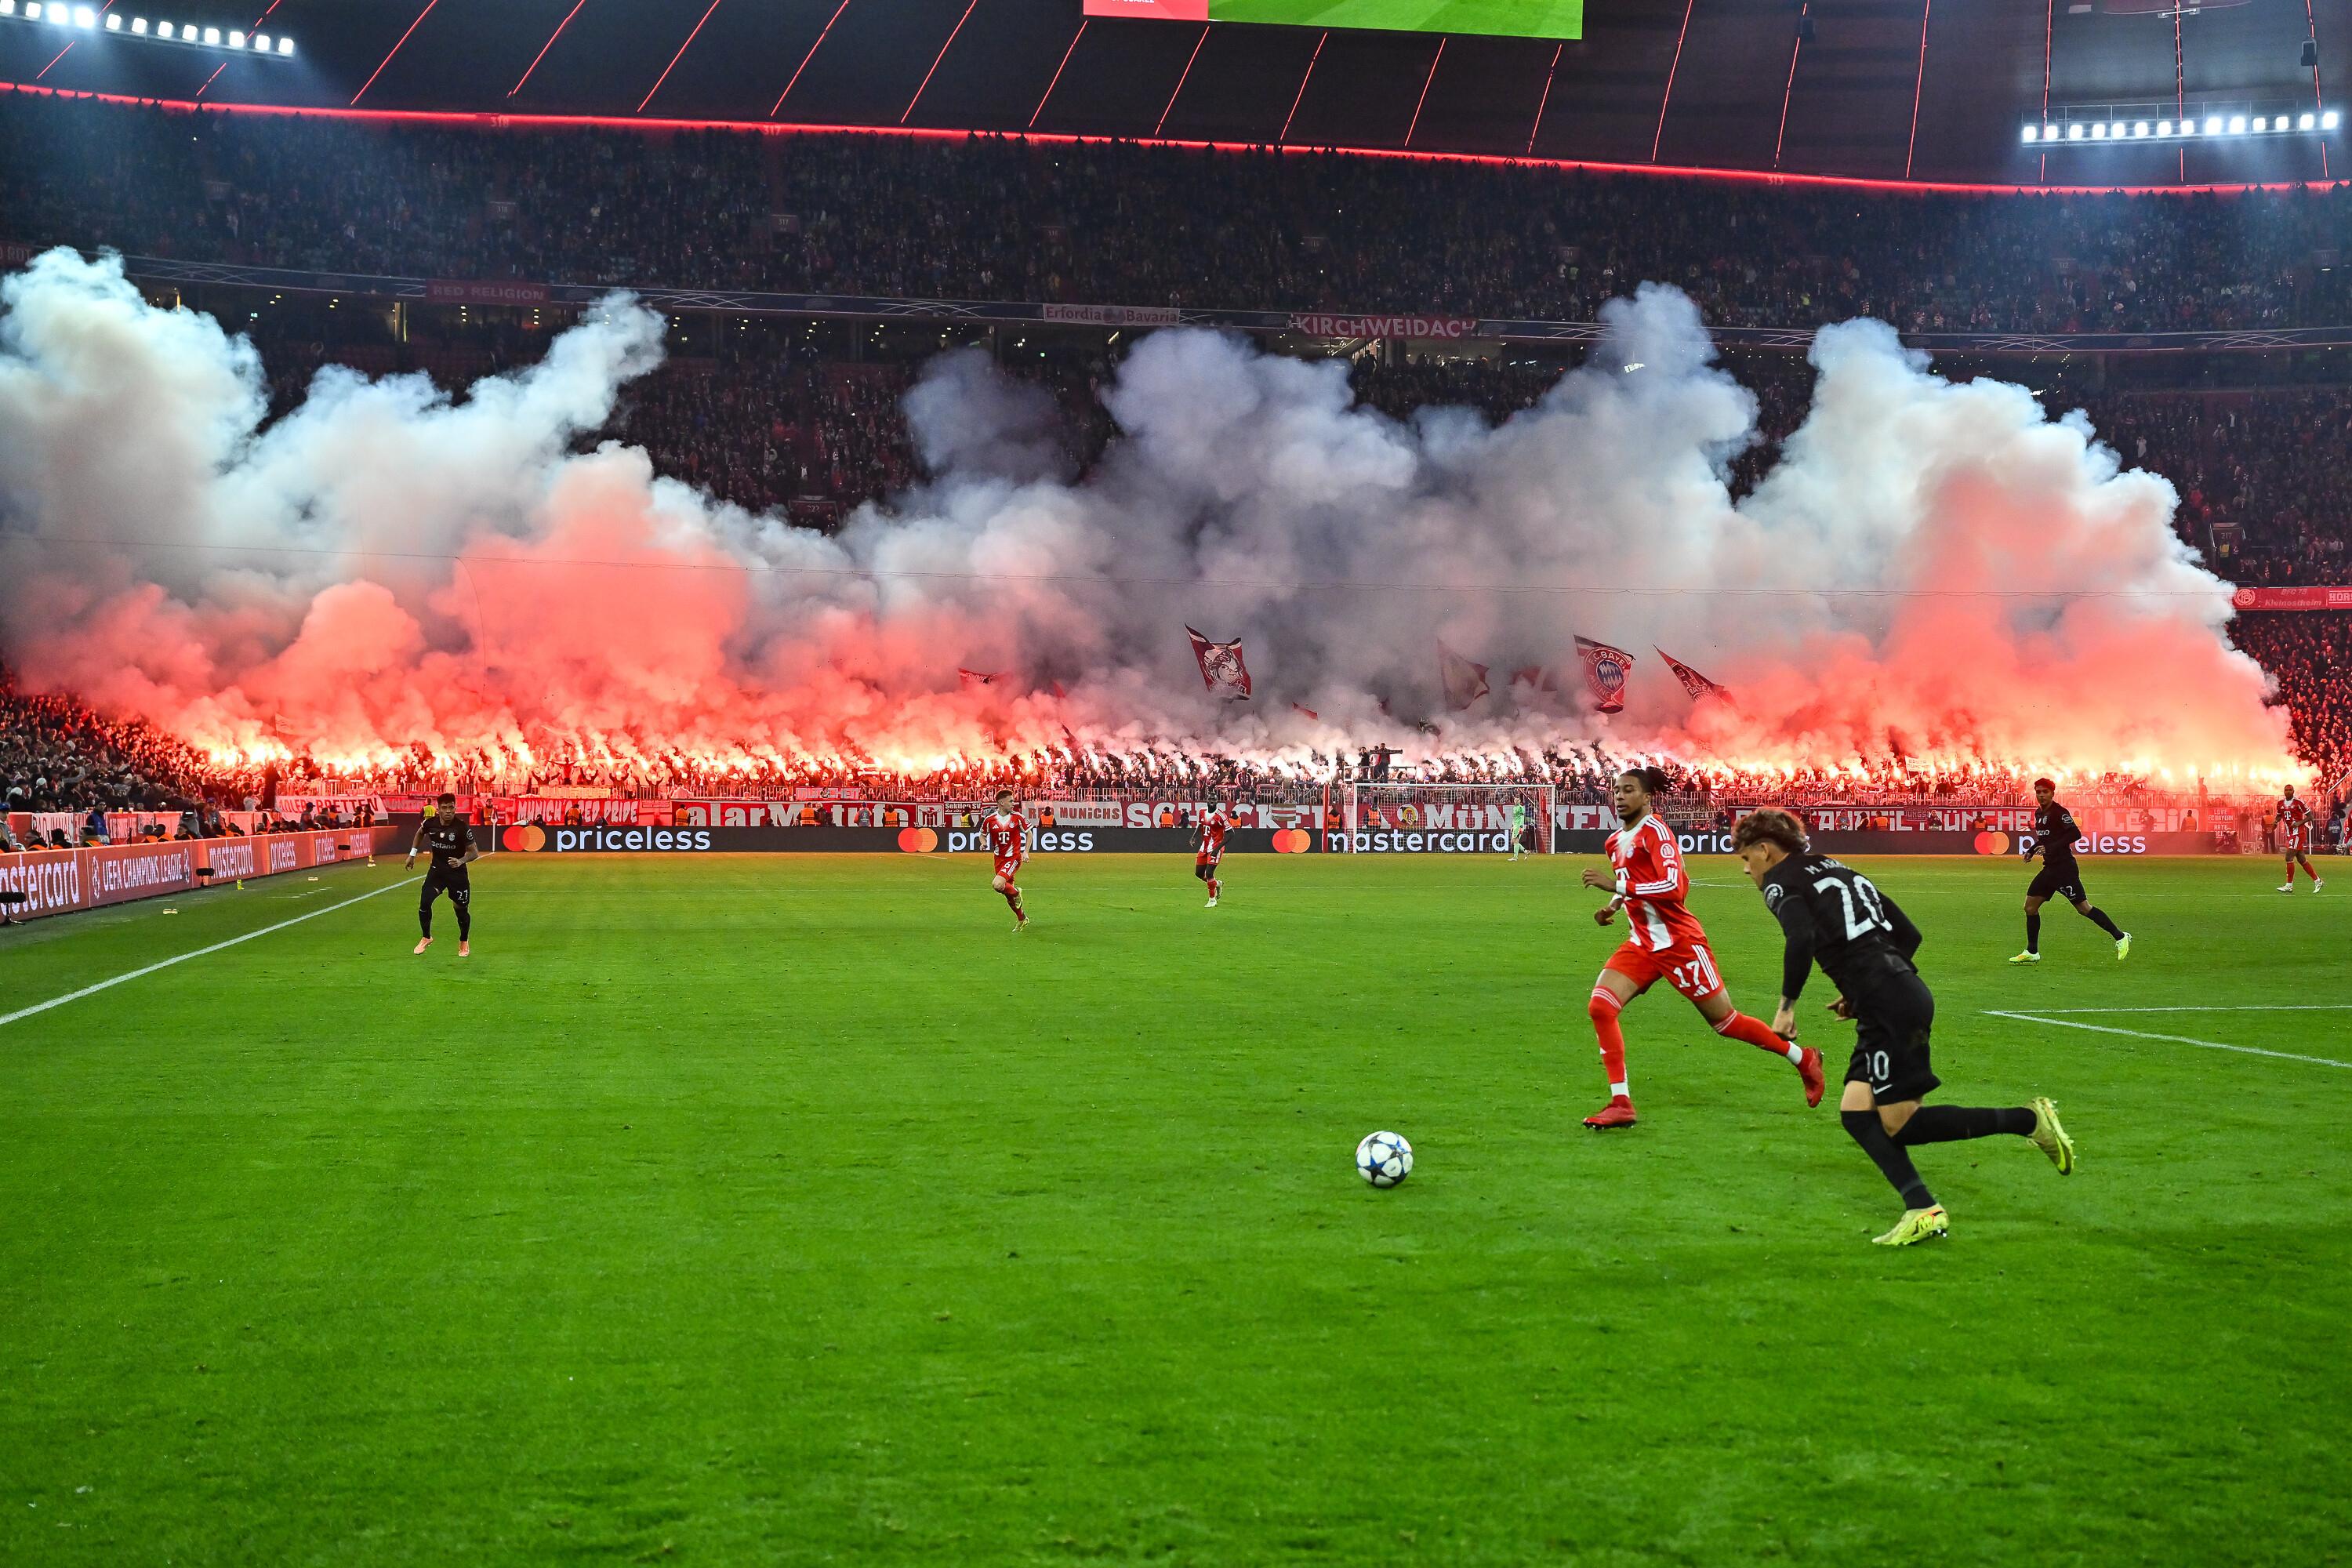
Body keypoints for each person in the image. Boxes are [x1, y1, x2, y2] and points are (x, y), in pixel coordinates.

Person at [1735, 807, 2075, 1246]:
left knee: (1902, 1123)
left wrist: (1787, 1007)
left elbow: (1800, 938)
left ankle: (2027, 1121)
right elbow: (1909, 934)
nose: (1746, 870)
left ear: (1765, 850)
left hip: (1888, 1002)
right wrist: (1865, 989)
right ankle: (1922, 1208)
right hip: (1895, 994)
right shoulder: (1839, 869)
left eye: (1746, 858)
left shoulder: (1782, 880)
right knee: (1857, 1114)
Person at [1576, 767, 1824, 1130]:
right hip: (1642, 942)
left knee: (1725, 1022)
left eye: (1629, 790)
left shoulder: (1656, 833)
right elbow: (1632, 881)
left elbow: (1675, 888)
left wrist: (1616, 887)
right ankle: (1621, 1103)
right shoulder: (1615, 842)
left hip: (1679, 942)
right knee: (1600, 1006)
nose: (1619, 796)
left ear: (1647, 798)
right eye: (1616, 790)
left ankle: (1803, 1059)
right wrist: (1612, 906)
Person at [2010, 778, 2130, 964]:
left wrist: (2050, 849)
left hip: (2064, 869)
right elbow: (2046, 839)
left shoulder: (2060, 812)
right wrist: (2032, 850)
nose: (2041, 795)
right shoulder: (2039, 814)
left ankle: (2121, 937)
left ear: (2052, 793)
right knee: (2030, 907)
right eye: (2038, 792)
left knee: (2083, 909)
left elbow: (2075, 833)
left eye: (2045, 792)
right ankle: (2032, 951)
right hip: (2050, 869)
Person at [405, 793, 478, 956]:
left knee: (461, 910)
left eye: (451, 807)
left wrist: (461, 861)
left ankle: (464, 941)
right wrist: (412, 854)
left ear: (455, 808)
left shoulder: (462, 828)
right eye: (444, 808)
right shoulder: (430, 823)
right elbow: (420, 833)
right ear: (438, 809)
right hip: (437, 872)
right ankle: (426, 937)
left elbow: (474, 853)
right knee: (424, 903)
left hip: (457, 874)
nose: (448, 811)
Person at [984, 788, 1029, 931]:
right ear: (1001, 803)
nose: (1013, 803)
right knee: (1005, 892)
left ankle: (1017, 892)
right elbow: (982, 834)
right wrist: (983, 842)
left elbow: (1029, 834)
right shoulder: (990, 820)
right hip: (999, 859)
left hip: (1013, 857)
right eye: (1011, 801)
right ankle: (1022, 919)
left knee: (997, 884)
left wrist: (1025, 852)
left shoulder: (1017, 818)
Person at [2275, 783, 2323, 892]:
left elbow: (2310, 816)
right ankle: (2317, 881)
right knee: (2302, 860)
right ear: (2284, 791)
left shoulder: (2299, 802)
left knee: (2288, 857)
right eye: (2286, 790)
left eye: (2290, 790)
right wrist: (2275, 822)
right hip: (2290, 834)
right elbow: (2279, 815)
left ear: (2293, 791)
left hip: (2298, 833)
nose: (2288, 792)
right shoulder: (2280, 804)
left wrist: (2299, 823)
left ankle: (2289, 885)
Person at [1196, 797, 1232, 907]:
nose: (1211, 801)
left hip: (1215, 847)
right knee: (1199, 874)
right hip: (1204, 847)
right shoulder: (1202, 811)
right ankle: (1217, 884)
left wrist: (1218, 848)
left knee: (1209, 873)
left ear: (1217, 802)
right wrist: (1194, 837)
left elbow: (1231, 833)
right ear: (1207, 801)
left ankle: (1212, 900)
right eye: (1210, 799)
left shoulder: (1221, 816)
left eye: (1214, 799)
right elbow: (1201, 825)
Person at [1508, 796, 1529, 860]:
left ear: (1520, 801)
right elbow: (1514, 818)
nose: (1516, 801)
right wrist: (1512, 826)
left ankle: (1515, 857)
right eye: (1515, 800)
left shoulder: (1521, 808)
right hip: (1515, 826)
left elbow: (1522, 818)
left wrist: (1521, 827)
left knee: (1516, 841)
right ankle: (1526, 852)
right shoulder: (1514, 808)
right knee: (1512, 842)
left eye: (1518, 800)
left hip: (1518, 826)